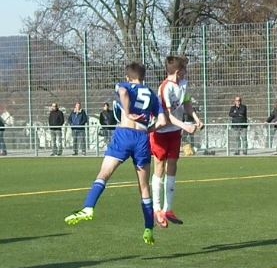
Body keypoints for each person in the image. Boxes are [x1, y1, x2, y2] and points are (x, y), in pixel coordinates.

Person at [64, 62, 166, 246]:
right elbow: (163, 121)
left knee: (104, 174)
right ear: (144, 77)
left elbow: (124, 93)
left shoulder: (124, 85)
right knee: (144, 187)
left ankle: (88, 207)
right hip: (142, 139)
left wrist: (128, 112)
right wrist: (148, 129)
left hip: (124, 135)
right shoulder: (152, 95)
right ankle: (148, 228)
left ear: (128, 77)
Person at [150, 55, 201, 228]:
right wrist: (186, 126)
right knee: (159, 167)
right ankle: (157, 209)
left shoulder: (183, 84)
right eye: (185, 69)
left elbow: (187, 104)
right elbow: (168, 116)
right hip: (160, 132)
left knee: (172, 166)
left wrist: (196, 119)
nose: (187, 72)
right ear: (178, 71)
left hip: (174, 132)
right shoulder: (165, 87)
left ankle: (168, 209)